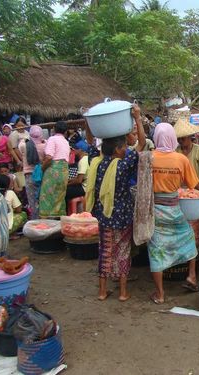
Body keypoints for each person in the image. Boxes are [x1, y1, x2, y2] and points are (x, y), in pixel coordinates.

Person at [86, 104, 146, 302]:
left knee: (105, 250)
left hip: (103, 216)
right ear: (119, 149)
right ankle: (122, 292)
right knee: (123, 252)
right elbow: (142, 144)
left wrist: (88, 121)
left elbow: (89, 141)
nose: (125, 149)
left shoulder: (97, 162)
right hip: (122, 216)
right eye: (123, 147)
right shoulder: (123, 164)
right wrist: (137, 118)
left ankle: (102, 292)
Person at [148, 122, 199, 304]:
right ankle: (191, 275)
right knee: (188, 237)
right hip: (174, 209)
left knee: (156, 249)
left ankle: (159, 294)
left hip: (155, 211)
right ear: (173, 138)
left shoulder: (148, 157)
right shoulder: (181, 159)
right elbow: (195, 185)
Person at [39, 121, 70, 218]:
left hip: (53, 170)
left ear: (54, 129)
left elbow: (49, 157)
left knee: (47, 196)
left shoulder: (52, 139)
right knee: (60, 197)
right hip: (64, 171)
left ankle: (46, 222)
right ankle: (58, 222)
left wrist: (42, 168)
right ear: (65, 131)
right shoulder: (66, 141)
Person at [18, 125, 45, 220]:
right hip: (41, 175)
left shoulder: (24, 145)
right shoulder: (44, 146)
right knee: (42, 198)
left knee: (32, 200)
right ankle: (43, 220)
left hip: (29, 176)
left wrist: (24, 139)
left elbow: (20, 144)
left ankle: (35, 220)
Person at [174, 118, 199, 185]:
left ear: (190, 137)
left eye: (183, 138)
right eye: (178, 138)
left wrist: (198, 190)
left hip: (196, 186)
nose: (180, 141)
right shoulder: (176, 151)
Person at [65, 140, 89, 206]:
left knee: (63, 192)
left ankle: (65, 212)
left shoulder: (83, 161)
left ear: (80, 150)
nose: (74, 150)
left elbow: (79, 180)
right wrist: (69, 181)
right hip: (85, 185)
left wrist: (67, 184)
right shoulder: (86, 159)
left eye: (75, 149)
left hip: (84, 188)